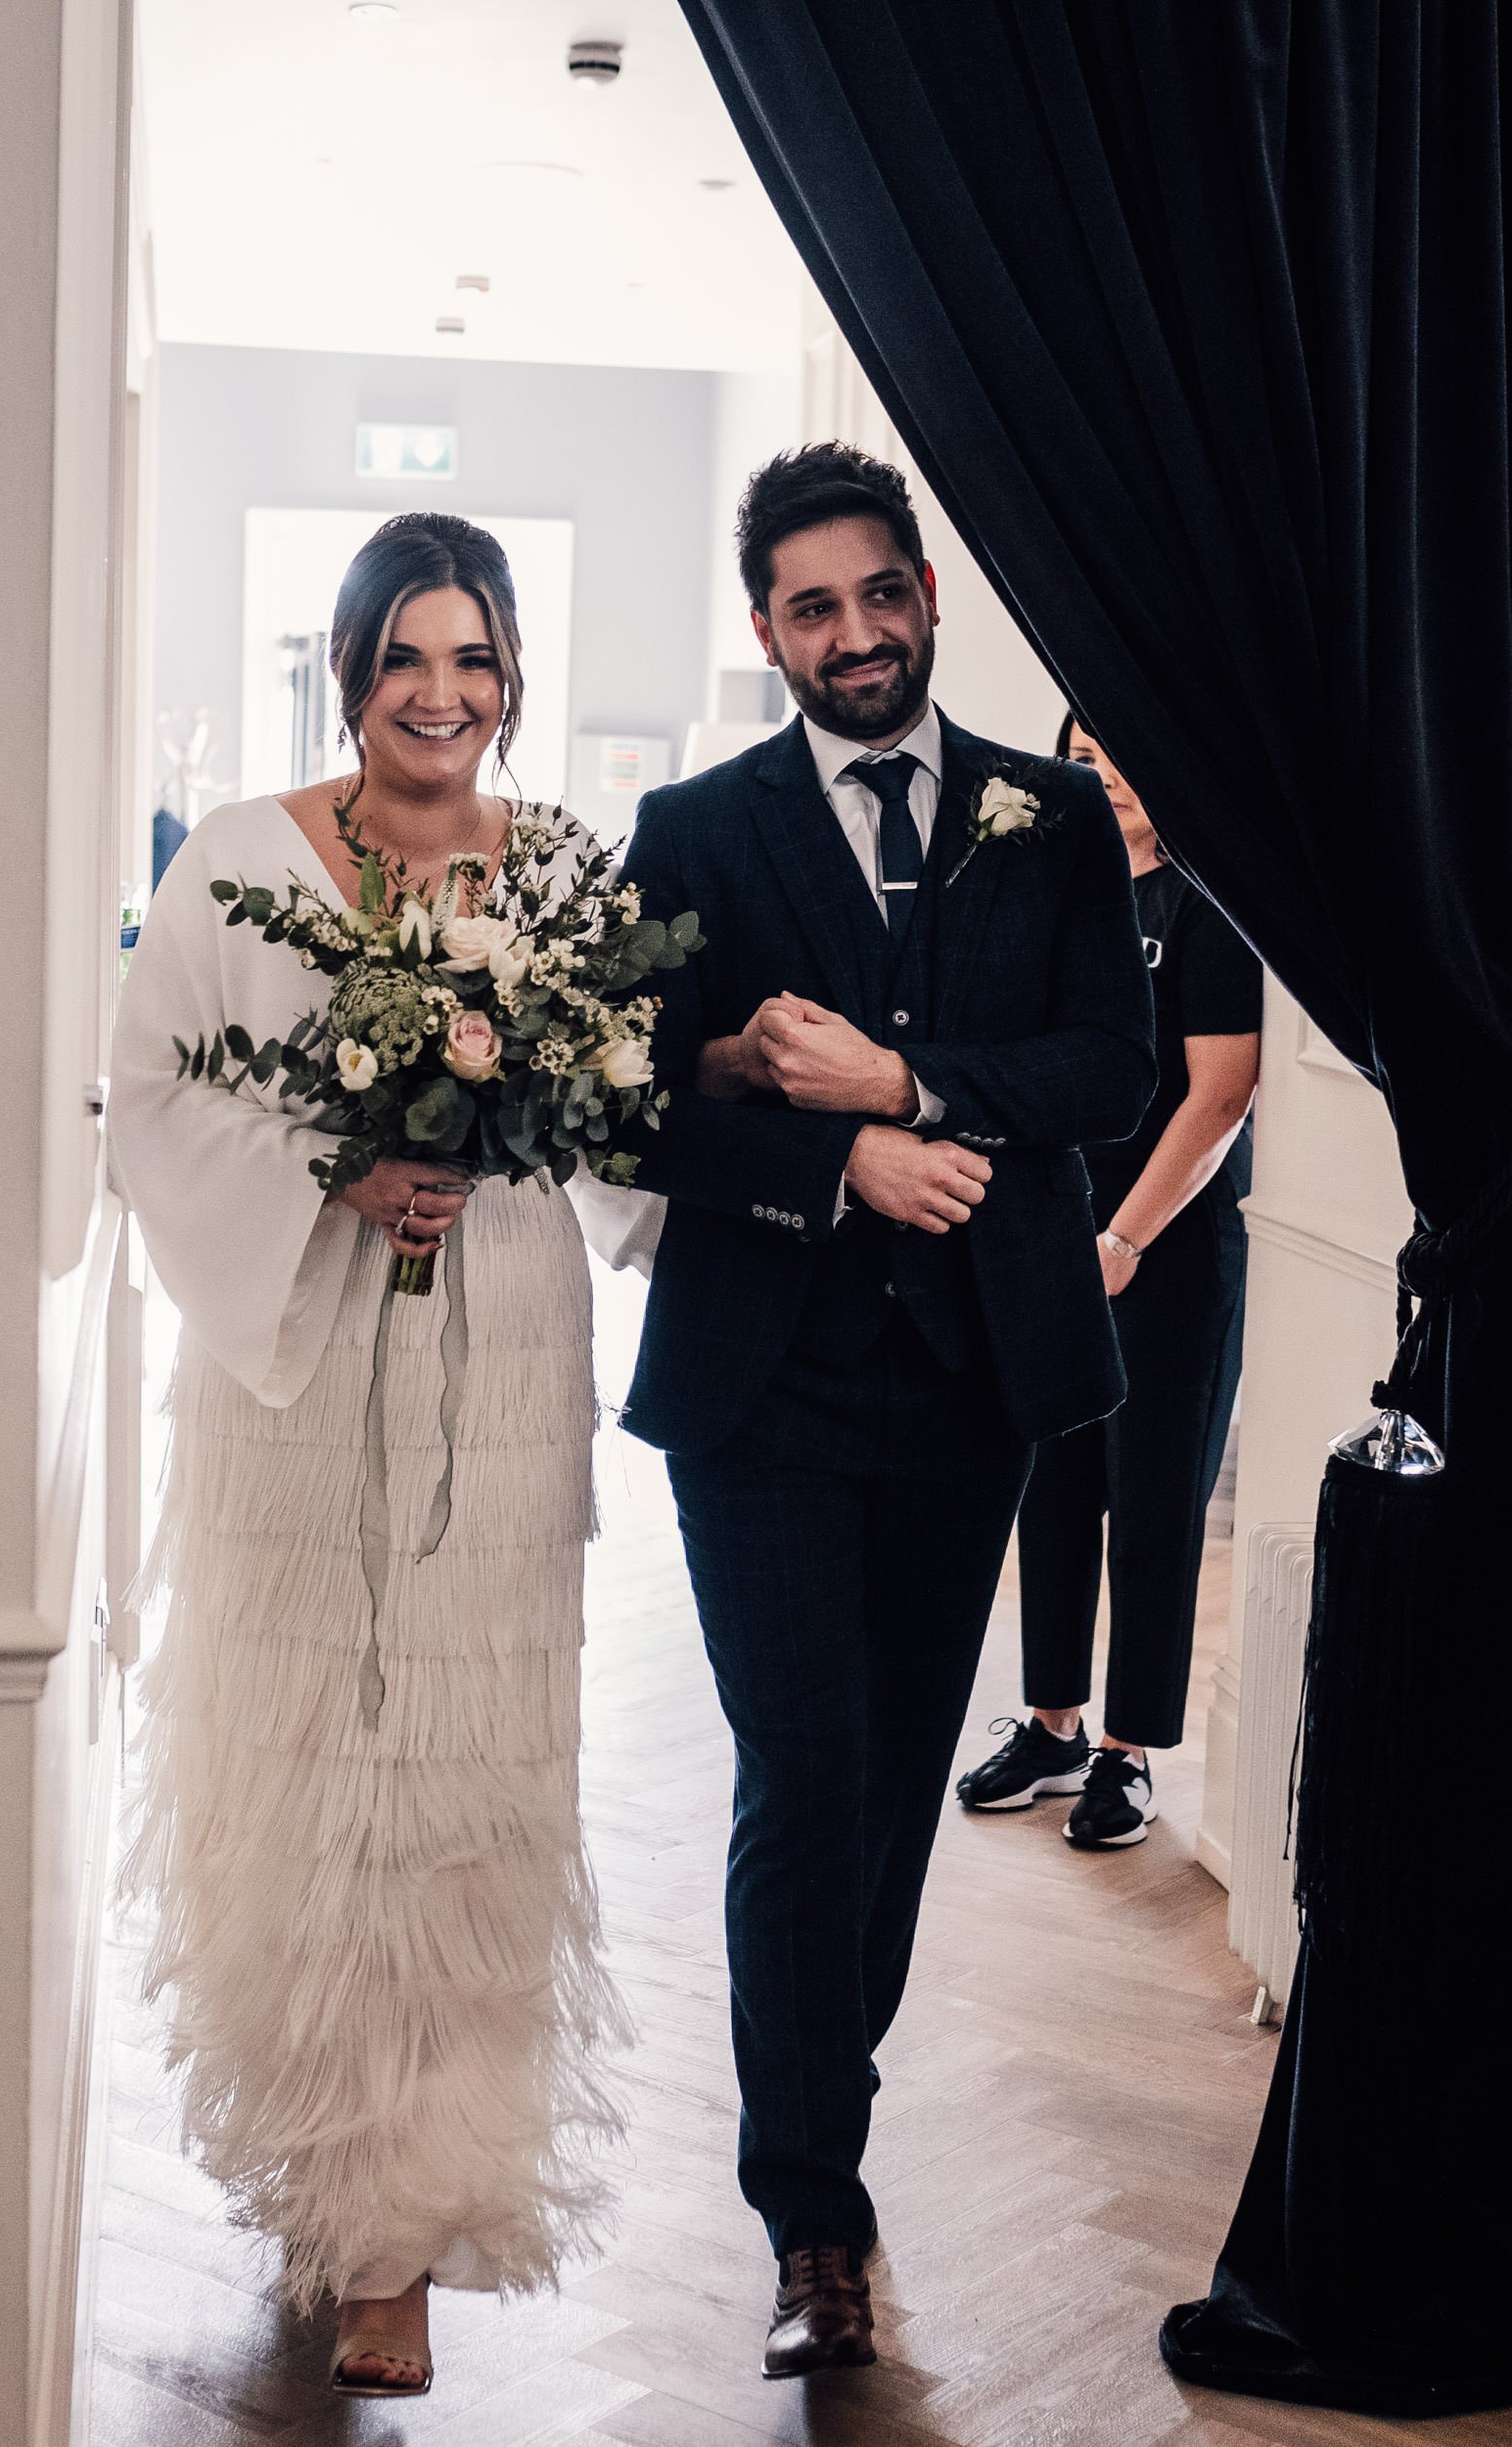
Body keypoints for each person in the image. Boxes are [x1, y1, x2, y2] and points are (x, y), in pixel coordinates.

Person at [614, 444, 1156, 2378]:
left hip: (970, 1383)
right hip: (761, 1378)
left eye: (875, 594)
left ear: (920, 588)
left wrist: (905, 1086)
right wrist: (826, 1164)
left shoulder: (1045, 814)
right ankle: (813, 2214)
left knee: (886, 1795)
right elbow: (618, 1101)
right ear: (763, 630)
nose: (851, 634)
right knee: (803, 1772)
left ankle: (812, 2124)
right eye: (808, 607)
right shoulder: (688, 829)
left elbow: (1111, 1066)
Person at [107, 514, 626, 2401]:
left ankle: (407, 2225)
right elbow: (150, 1099)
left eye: (474, 659)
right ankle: (323, 2181)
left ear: (509, 677)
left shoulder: (561, 873)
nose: (442, 696)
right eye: (405, 658)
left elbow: (612, 1114)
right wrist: (338, 1160)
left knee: (464, 1773)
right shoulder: (245, 860)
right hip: (294, 1368)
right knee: (314, 1754)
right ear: (349, 672)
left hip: (498, 1348)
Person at [957, 716, 1261, 1847]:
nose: (1111, 775)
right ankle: (1050, 1724)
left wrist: (1121, 1242)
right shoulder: (1055, 895)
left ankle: (1126, 1752)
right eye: (1086, 756)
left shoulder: (1210, 902)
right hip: (1049, 1246)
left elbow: (1221, 1095)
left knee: (1148, 1506)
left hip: (1163, 1256)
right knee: (1049, 1489)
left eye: (1130, 747)